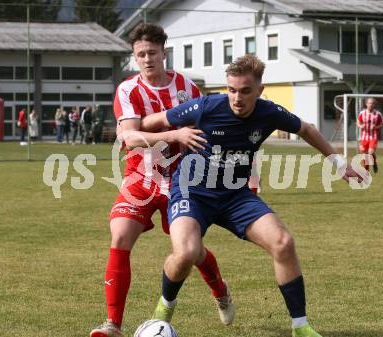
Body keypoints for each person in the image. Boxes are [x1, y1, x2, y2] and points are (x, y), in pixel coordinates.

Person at [132, 55, 364, 337]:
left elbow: (307, 129)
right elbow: (150, 121)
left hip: (235, 196)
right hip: (192, 191)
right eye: (231, 89)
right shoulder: (205, 106)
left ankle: (301, 327)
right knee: (187, 253)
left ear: (259, 91)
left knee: (283, 243)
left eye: (244, 91)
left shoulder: (269, 113)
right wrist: (175, 133)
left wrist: (339, 164)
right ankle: (164, 311)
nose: (237, 98)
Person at [90, 23, 233, 337]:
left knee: (191, 251)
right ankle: (112, 324)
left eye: (151, 53)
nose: (146, 59)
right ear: (134, 56)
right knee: (120, 238)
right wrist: (174, 134)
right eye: (140, 54)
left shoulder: (186, 87)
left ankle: (220, 290)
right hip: (140, 176)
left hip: (182, 179)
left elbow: (203, 129)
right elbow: (128, 137)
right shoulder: (128, 90)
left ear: (163, 52)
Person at [356, 97, 383, 173]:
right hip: (364, 137)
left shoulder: (377, 114)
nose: (371, 105)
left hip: (373, 136)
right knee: (364, 154)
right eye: (369, 103)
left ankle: (372, 165)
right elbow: (358, 122)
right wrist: (361, 126)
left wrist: (376, 127)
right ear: (366, 104)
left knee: (370, 152)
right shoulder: (362, 113)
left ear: (374, 104)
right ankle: (367, 170)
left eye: (372, 103)